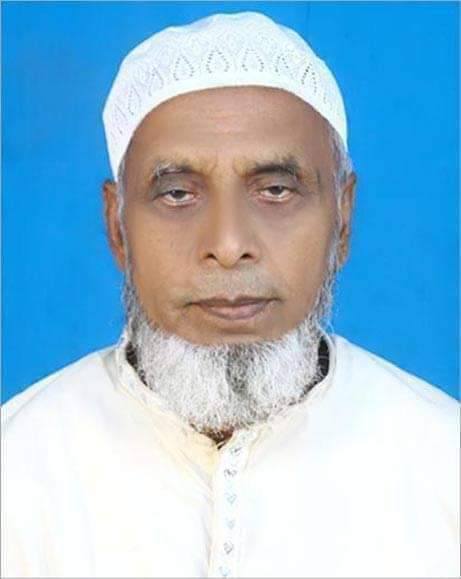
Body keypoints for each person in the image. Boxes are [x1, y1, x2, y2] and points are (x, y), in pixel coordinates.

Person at [2, 11, 459, 579]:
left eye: (276, 190)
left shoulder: (445, 465)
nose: (228, 244)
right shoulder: (16, 471)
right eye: (177, 194)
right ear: (117, 227)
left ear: (343, 219)